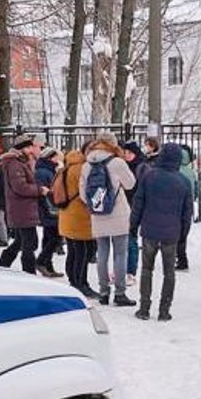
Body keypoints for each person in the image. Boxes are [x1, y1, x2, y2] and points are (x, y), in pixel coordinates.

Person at [130, 142, 193, 322]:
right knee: (169, 272)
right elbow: (186, 213)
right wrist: (183, 235)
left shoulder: (149, 177)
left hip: (149, 230)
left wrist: (133, 225)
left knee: (147, 269)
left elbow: (138, 203)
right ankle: (164, 310)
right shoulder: (184, 182)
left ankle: (144, 308)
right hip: (171, 233)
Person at [79, 131, 136, 306]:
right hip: (118, 213)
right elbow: (131, 183)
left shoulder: (86, 164)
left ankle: (103, 292)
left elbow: (83, 195)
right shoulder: (117, 162)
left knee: (102, 253)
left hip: (98, 214)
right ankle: (120, 293)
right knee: (120, 254)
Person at [55, 146, 98, 298]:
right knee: (82, 252)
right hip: (80, 216)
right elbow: (86, 194)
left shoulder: (67, 167)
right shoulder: (82, 169)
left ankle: (73, 281)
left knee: (73, 251)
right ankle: (81, 284)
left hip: (66, 215)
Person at [0, 134, 44, 274]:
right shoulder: (15, 164)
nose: (32, 150)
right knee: (29, 244)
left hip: (23, 209)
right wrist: (40, 190)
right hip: (22, 209)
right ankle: (29, 273)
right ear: (22, 148)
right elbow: (20, 187)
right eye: (29, 147)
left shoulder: (20, 162)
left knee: (20, 242)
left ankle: (3, 266)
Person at [34, 147, 64, 277]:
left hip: (50, 207)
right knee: (55, 237)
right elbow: (44, 190)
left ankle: (47, 264)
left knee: (49, 237)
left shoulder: (47, 170)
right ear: (51, 158)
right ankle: (41, 261)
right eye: (57, 157)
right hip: (49, 208)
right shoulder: (44, 171)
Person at [121, 140, 145, 286]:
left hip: (134, 207)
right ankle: (124, 269)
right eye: (125, 153)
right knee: (124, 240)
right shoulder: (125, 166)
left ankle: (131, 271)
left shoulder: (140, 168)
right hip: (125, 206)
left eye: (129, 153)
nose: (126, 155)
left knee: (131, 240)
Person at [176, 143, 199, 271]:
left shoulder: (175, 170)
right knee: (184, 231)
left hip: (176, 203)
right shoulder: (191, 171)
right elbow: (196, 189)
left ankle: (180, 258)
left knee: (176, 231)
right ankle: (182, 257)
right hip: (188, 203)